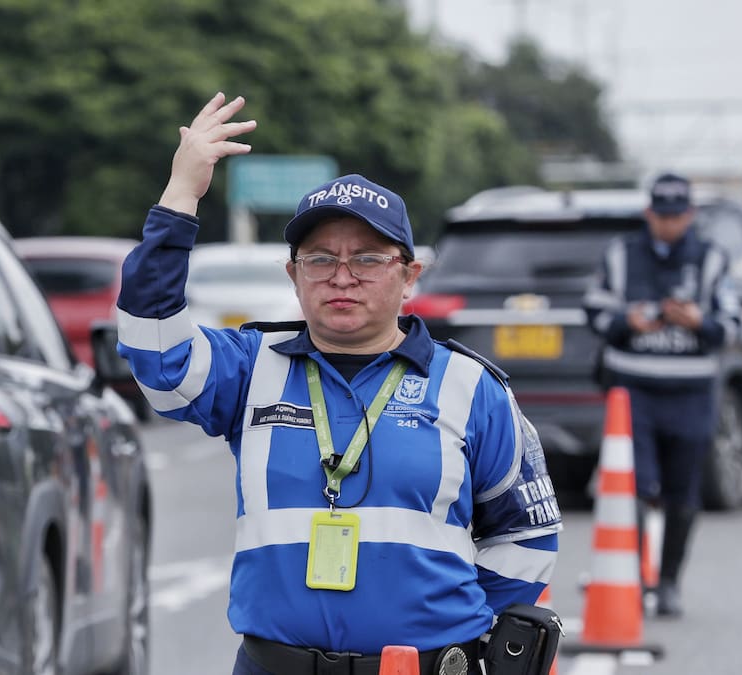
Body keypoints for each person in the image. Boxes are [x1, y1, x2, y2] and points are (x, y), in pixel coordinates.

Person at [116, 92, 562, 675]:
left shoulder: (471, 386)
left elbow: (527, 533)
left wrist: (457, 633)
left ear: (408, 277)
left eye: (368, 259)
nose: (342, 277)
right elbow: (154, 350)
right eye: (320, 259)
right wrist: (181, 196)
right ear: (293, 275)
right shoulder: (251, 367)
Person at [582, 172, 741, 618]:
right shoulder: (621, 255)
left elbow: (732, 325)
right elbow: (593, 311)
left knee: (683, 493)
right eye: (661, 215)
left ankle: (669, 580)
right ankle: (631, 575)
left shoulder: (711, 259)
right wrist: (628, 321)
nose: (668, 224)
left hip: (691, 394)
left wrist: (696, 321)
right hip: (632, 393)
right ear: (649, 213)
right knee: (635, 486)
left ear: (688, 215)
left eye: (677, 216)